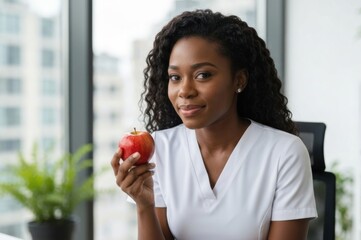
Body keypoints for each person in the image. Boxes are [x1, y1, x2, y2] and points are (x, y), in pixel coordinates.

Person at [111, 9, 317, 240]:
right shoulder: (160, 148)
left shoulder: (284, 152)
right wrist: (144, 204)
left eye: (203, 75)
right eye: (175, 77)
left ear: (239, 80)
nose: (185, 91)